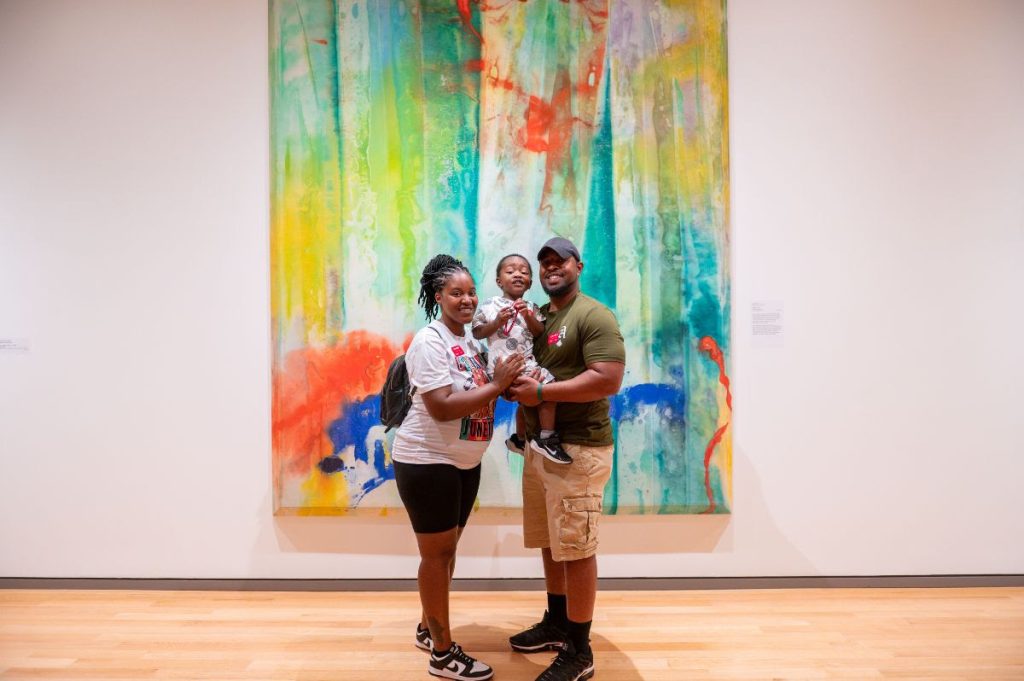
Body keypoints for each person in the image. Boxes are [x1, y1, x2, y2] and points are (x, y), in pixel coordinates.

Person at [392, 254, 525, 681]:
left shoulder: (468, 341)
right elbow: (443, 407)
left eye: (471, 292)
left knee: (447, 553)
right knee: (437, 557)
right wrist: (498, 384)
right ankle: (443, 655)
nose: (467, 300)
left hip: (464, 463)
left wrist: (503, 384)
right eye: (456, 293)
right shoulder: (429, 341)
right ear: (438, 297)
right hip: (428, 461)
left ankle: (428, 629)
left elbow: (478, 391)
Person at [507, 237, 626, 681]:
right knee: (552, 541)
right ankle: (558, 620)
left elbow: (607, 379)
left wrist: (540, 392)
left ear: (579, 265)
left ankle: (579, 649)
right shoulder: (540, 316)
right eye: (545, 263)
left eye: (561, 261)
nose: (551, 268)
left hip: (578, 449)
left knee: (576, 549)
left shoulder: (594, 315)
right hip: (540, 449)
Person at [472, 253, 571, 465]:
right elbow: (477, 332)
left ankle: (519, 438)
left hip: (527, 364)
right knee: (547, 390)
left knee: (529, 400)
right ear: (499, 281)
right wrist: (497, 322)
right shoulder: (490, 305)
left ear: (530, 283)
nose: (517, 274)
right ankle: (547, 438)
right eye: (510, 271)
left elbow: (539, 332)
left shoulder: (532, 307)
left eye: (524, 272)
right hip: (502, 367)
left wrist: (528, 316)